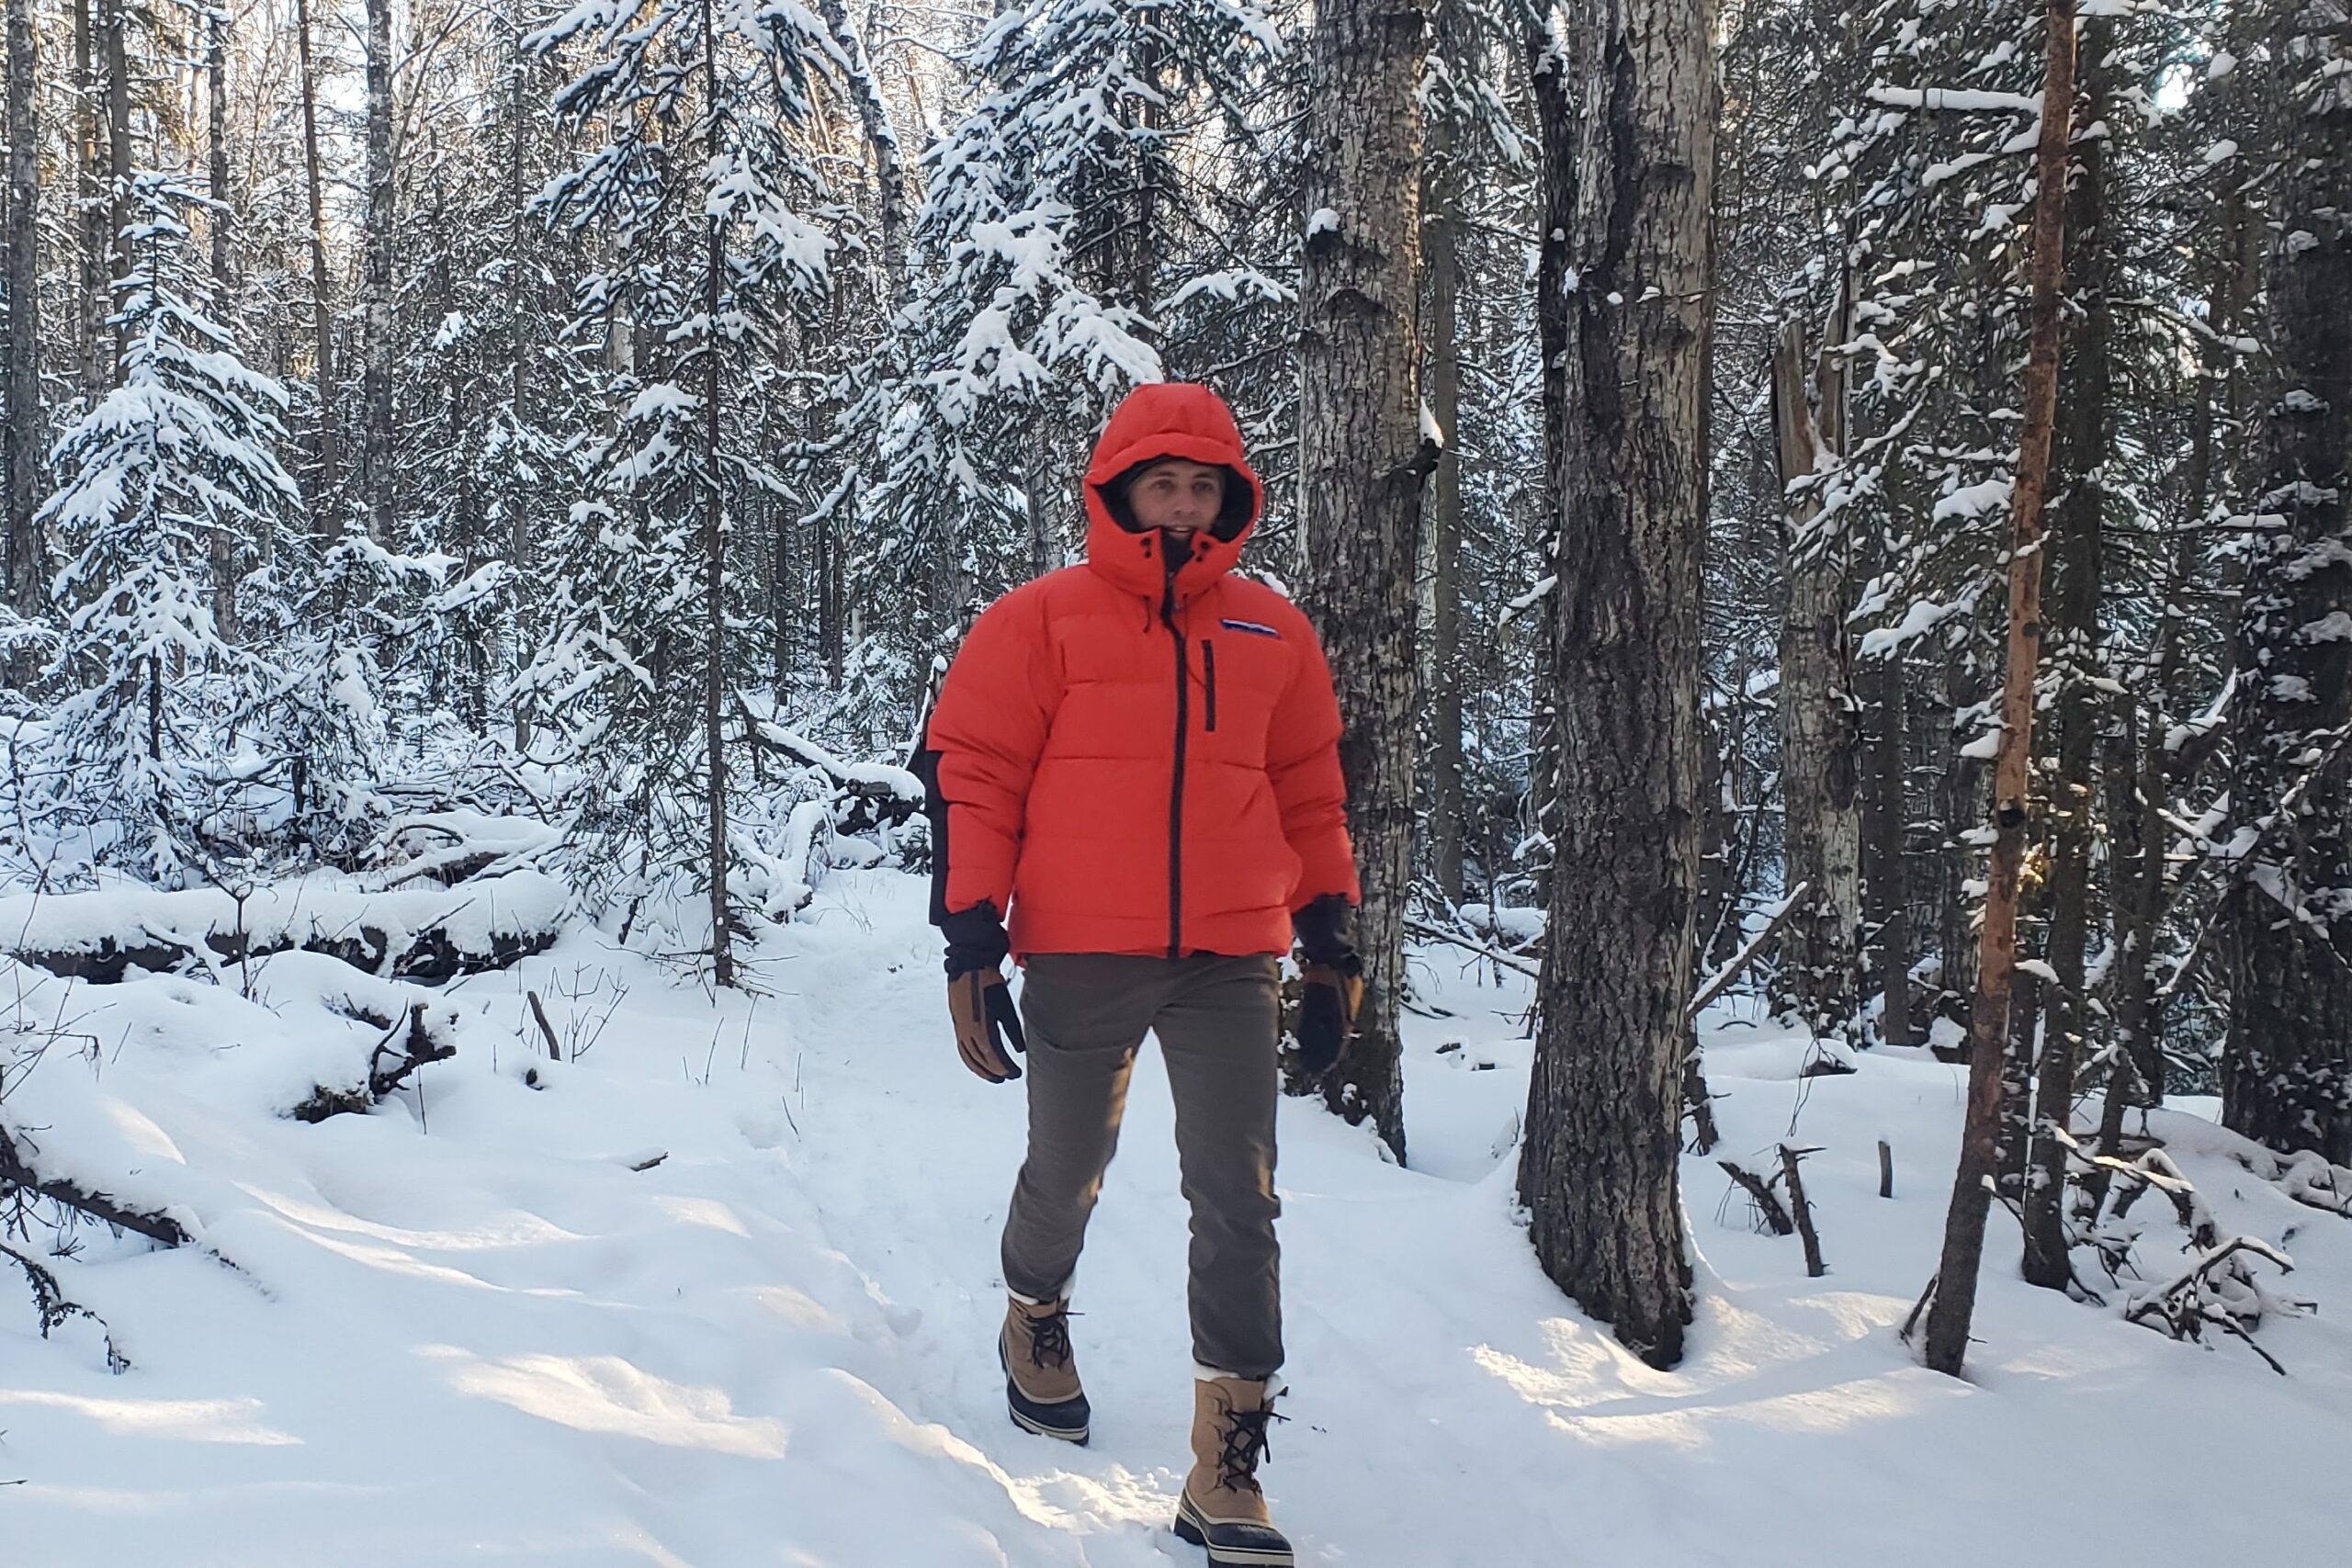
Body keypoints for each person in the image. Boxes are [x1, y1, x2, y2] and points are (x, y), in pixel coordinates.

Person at [916, 381, 1364, 1568]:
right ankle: (1035, 1313)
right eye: (1161, 484)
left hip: (1232, 956)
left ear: (1231, 502)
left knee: (1239, 1197)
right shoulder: (1038, 621)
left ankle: (1230, 1463)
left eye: (1202, 486)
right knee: (1069, 1170)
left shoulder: (1275, 633)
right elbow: (976, 779)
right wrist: (971, 940)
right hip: (1082, 946)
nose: (1181, 506)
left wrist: (1332, 944)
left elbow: (1313, 795)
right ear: (1115, 493)